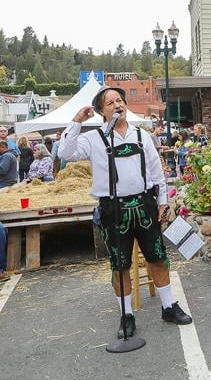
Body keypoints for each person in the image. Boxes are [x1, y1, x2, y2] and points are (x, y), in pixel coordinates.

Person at [59, 86, 192, 339]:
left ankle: (168, 306)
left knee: (158, 257)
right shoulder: (93, 138)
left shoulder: (142, 136)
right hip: (113, 208)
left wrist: (163, 202)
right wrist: (76, 121)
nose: (117, 105)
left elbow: (156, 173)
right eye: (109, 103)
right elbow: (64, 153)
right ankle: (126, 315)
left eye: (119, 100)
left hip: (144, 205)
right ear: (101, 111)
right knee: (120, 266)